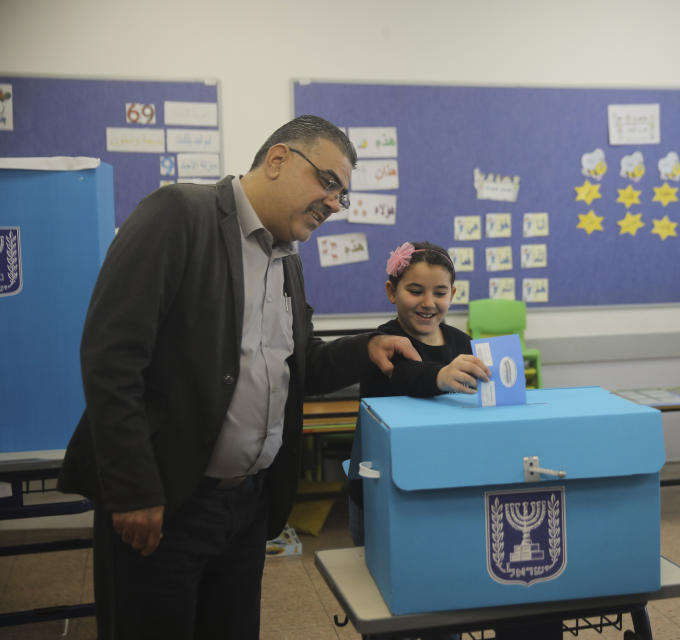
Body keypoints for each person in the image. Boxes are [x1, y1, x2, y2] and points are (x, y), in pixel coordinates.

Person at [57, 115, 421, 640]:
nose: (335, 204)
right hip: (166, 507)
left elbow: (297, 365)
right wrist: (133, 490)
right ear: (278, 159)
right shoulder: (179, 215)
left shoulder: (287, 259)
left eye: (343, 195)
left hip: (246, 512)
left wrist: (365, 349)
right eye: (329, 182)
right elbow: (112, 358)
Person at [347, 241, 490, 546]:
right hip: (384, 481)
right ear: (391, 291)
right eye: (415, 291)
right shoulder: (381, 342)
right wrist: (441, 375)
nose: (428, 302)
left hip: (446, 476)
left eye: (439, 293)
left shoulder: (463, 343)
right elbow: (405, 375)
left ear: (452, 294)